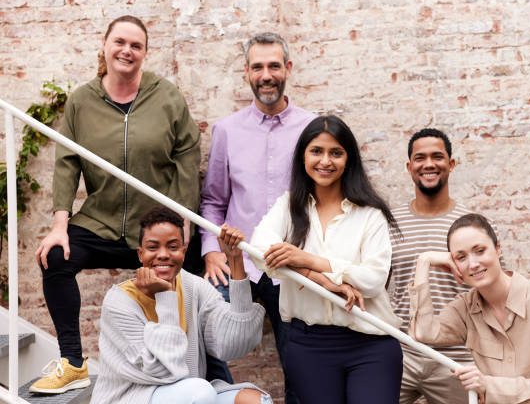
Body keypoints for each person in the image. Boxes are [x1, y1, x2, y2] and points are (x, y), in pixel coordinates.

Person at [31, 15, 201, 393]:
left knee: (190, 280)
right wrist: (61, 225)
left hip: (154, 228)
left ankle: (206, 371)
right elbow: (67, 161)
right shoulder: (82, 100)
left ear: (144, 53)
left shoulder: (167, 95)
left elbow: (187, 153)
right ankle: (73, 363)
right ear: (105, 46)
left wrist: (182, 220)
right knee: (55, 258)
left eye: (136, 45)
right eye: (120, 42)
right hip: (101, 221)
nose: (127, 50)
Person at [247, 115, 403, 404]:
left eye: (336, 152)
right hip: (309, 345)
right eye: (316, 151)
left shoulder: (370, 214)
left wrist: (306, 259)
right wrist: (320, 279)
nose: (325, 161)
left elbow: (372, 280)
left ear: (348, 159)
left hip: (370, 344)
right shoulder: (288, 206)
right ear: (303, 157)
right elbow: (259, 250)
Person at [200, 32, 315, 402]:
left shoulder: (313, 129)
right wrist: (211, 251)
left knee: (300, 364)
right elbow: (214, 201)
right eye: (258, 67)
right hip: (237, 263)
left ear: (288, 69)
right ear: (247, 72)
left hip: (290, 266)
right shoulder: (226, 131)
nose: (267, 75)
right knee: (203, 336)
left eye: (274, 66)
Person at [89, 206, 269, 404]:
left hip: (189, 394)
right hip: (130, 397)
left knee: (255, 400)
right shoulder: (119, 303)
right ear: (140, 254)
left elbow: (233, 345)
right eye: (153, 247)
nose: (164, 254)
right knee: (200, 392)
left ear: (184, 252)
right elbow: (165, 373)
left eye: (173, 247)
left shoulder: (194, 287)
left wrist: (235, 262)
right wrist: (166, 295)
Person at [409, 213, 530, 404]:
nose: (473, 264)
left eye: (480, 251)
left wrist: (488, 386)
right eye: (461, 257)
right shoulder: (465, 308)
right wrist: (424, 261)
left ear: (498, 249)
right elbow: (423, 332)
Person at [388, 128, 506, 404]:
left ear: (451, 164)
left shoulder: (473, 224)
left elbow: (496, 289)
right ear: (409, 167)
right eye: (420, 158)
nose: (428, 164)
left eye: (437, 157)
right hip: (401, 355)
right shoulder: (390, 222)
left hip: (456, 359)